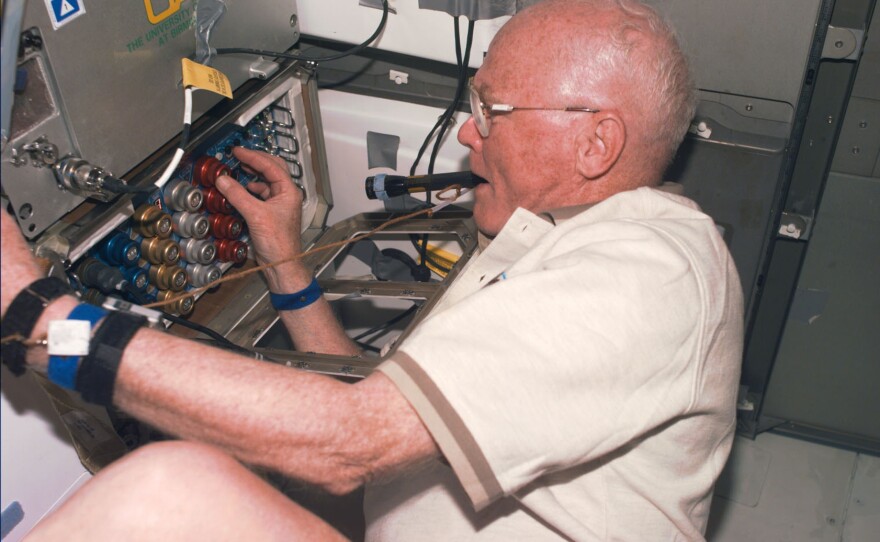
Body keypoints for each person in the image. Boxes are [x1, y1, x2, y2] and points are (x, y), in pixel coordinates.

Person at [0, 0, 743, 539]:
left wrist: (40, 318)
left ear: (595, 144)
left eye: (490, 109)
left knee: (166, 491)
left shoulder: (647, 274)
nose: (464, 130)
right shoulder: (552, 243)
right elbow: (373, 409)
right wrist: (287, 265)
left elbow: (346, 441)